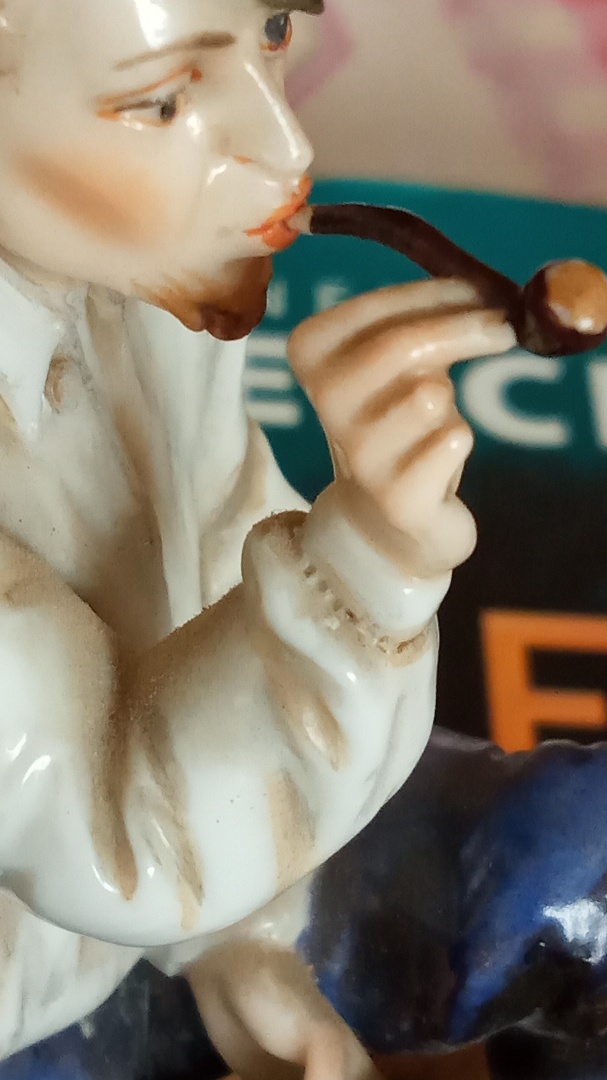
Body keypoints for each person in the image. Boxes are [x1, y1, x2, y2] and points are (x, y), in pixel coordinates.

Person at [0, 0, 516, 1074]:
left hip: (178, 889)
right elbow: (104, 825)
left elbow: (206, 574)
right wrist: (370, 561)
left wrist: (236, 938)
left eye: (272, 32)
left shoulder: (136, 291)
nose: (288, 147)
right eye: (161, 103)